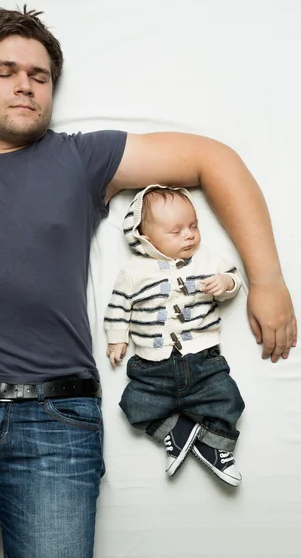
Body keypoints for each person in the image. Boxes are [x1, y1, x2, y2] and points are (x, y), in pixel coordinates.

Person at [0, 5, 296, 558]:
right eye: (5, 71)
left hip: (55, 420)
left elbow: (212, 159)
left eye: (39, 77)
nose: (26, 85)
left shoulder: (79, 159)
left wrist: (268, 280)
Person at [105, 185, 245, 487]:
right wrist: (117, 338)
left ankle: (215, 446)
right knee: (133, 403)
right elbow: (119, 306)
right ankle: (177, 431)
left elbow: (235, 277)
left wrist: (225, 283)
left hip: (204, 359)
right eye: (176, 231)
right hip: (152, 365)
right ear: (145, 237)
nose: (189, 235)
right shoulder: (133, 271)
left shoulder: (206, 258)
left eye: (193, 226)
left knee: (228, 399)